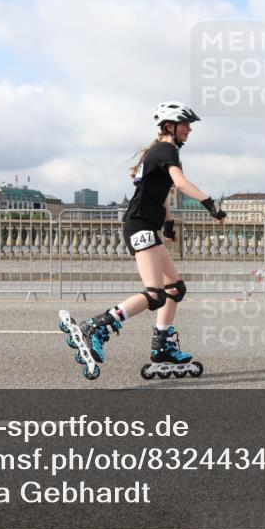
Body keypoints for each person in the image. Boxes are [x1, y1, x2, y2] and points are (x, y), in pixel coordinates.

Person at [72, 101, 226, 371]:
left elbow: (160, 191)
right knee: (154, 295)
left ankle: (162, 347)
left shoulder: (160, 151)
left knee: (174, 289)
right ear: (170, 126)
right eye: (186, 124)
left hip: (145, 225)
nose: (189, 129)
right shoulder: (166, 150)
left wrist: (167, 221)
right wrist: (210, 204)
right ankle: (97, 326)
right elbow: (179, 183)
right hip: (139, 225)